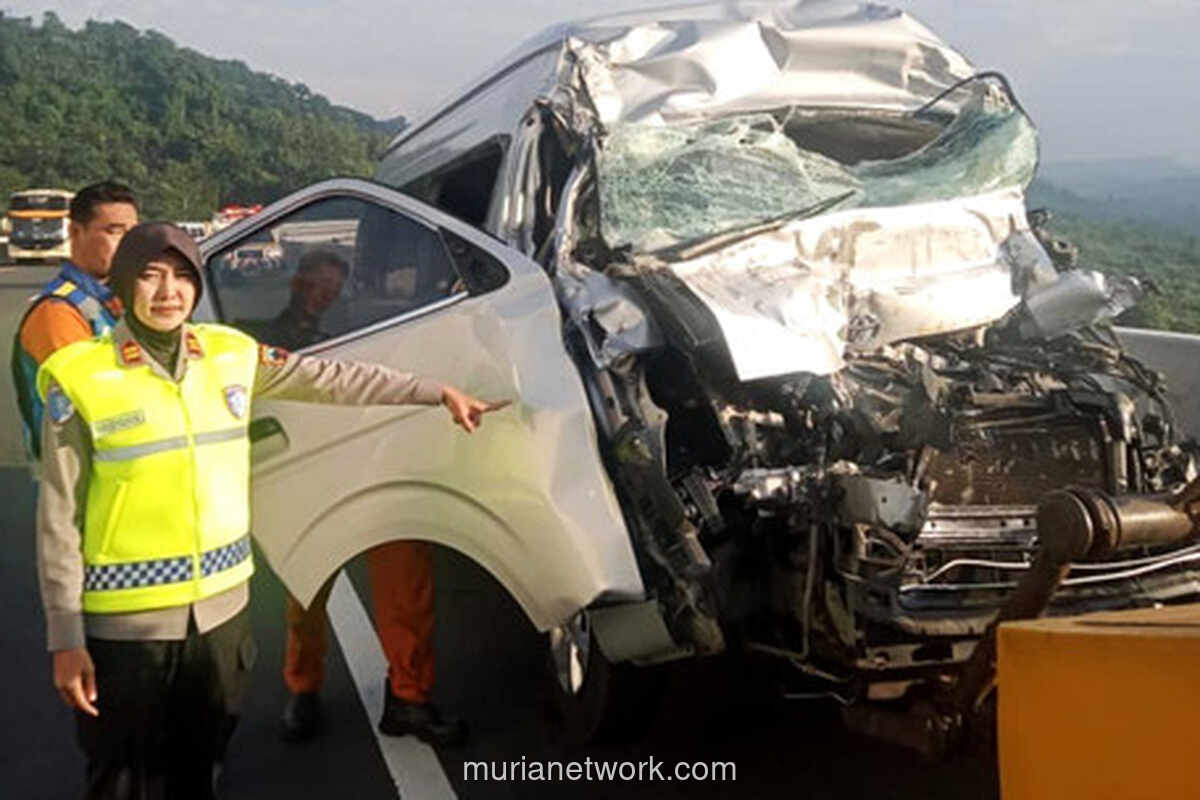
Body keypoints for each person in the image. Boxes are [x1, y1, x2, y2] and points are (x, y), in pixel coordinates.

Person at [35, 222, 500, 799]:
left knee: (200, 768)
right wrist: (65, 637)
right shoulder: (79, 375)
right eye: (151, 277)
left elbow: (332, 380)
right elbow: (58, 515)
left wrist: (434, 392)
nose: (167, 292)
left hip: (223, 619)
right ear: (126, 284)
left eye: (182, 277)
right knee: (119, 778)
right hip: (126, 627)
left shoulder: (230, 354)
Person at [249, 247, 467, 746]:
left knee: (407, 583)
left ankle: (409, 698)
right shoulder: (255, 339)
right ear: (296, 281)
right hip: (303, 475)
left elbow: (364, 379)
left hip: (368, 470)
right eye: (315, 285)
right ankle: (302, 688)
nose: (322, 296)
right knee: (306, 590)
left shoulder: (367, 330)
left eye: (331, 289)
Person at [11, 180, 138, 460]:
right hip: (78, 473)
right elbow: (89, 399)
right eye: (113, 231)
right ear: (75, 232)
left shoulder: (118, 298)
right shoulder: (57, 311)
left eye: (132, 233)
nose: (127, 243)